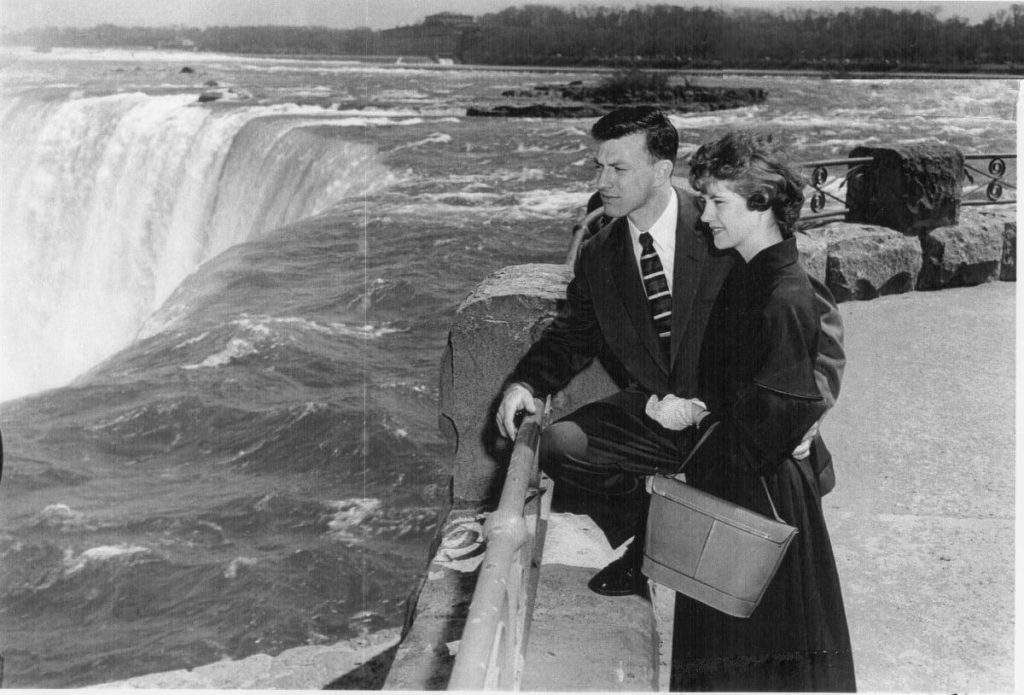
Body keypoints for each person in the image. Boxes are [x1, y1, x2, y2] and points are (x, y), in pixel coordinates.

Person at [495, 106, 844, 599]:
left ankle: (656, 551)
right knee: (558, 445)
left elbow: (817, 321)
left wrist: (808, 410)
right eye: (598, 166)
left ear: (661, 171)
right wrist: (525, 383)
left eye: (618, 168)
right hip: (660, 411)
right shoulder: (599, 254)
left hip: (738, 421)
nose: (602, 182)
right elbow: (573, 335)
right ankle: (651, 539)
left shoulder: (724, 221)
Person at [649, 130, 856, 691]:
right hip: (746, 487)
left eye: (718, 202)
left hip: (758, 498)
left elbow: (769, 422)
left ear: (761, 204)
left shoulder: (778, 294)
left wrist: (690, 424)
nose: (705, 216)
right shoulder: (753, 275)